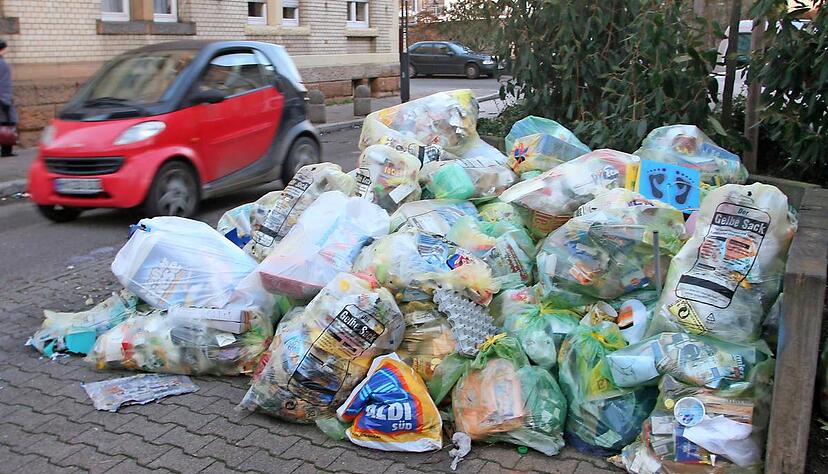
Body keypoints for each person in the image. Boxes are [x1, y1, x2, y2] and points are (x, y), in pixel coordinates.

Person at [0, 40, 17, 157]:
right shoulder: (3, 64)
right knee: (8, 124)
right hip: (2, 101)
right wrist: (6, 100)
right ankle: (6, 150)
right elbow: (4, 84)